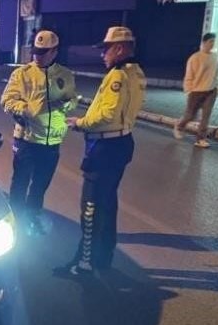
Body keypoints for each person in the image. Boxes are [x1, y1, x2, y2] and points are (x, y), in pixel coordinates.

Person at [63, 26, 146, 278]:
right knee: (108, 204)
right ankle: (103, 258)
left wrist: (80, 123)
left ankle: (84, 264)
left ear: (119, 49)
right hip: (121, 143)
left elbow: (107, 114)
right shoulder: (136, 72)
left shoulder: (117, 76)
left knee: (90, 208)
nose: (103, 55)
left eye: (106, 49)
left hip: (105, 148)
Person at [0, 30, 78, 236]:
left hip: (52, 141)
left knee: (41, 184)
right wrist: (26, 109)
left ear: (54, 52)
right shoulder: (22, 74)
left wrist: (68, 103)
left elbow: (72, 99)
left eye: (43, 52)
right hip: (26, 140)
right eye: (36, 51)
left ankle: (33, 215)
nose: (37, 56)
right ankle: (15, 219)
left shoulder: (65, 75)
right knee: (20, 182)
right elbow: (6, 101)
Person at [173, 32, 218, 148]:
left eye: (213, 42)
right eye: (210, 41)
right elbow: (189, 76)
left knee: (206, 116)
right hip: (196, 91)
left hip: (211, 91)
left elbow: (216, 73)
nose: (212, 44)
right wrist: (188, 90)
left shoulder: (215, 57)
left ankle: (200, 139)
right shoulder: (195, 58)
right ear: (204, 42)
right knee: (190, 115)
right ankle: (179, 126)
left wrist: (215, 85)